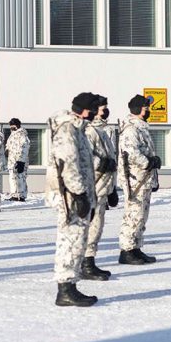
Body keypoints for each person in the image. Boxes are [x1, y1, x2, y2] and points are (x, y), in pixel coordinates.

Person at [47, 94, 99, 307]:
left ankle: (71, 285)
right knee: (70, 240)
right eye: (94, 109)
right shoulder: (68, 129)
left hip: (79, 194)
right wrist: (78, 194)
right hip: (70, 197)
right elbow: (68, 164)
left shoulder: (78, 129)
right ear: (86, 110)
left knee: (77, 240)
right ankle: (65, 289)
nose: (97, 113)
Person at [117, 94, 160, 265]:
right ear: (137, 109)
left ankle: (136, 247)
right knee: (133, 214)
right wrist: (149, 161)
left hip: (145, 178)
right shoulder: (131, 130)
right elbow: (132, 152)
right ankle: (126, 250)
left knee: (141, 215)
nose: (148, 110)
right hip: (135, 180)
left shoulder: (141, 128)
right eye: (145, 107)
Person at [83, 96, 118, 281]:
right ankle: (85, 262)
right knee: (91, 226)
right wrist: (101, 164)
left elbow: (110, 158)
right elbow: (84, 156)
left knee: (98, 226)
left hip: (103, 187)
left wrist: (112, 189)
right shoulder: (89, 131)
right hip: (92, 188)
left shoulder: (103, 132)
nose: (105, 111)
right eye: (103, 108)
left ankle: (90, 260)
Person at [6, 118, 31, 202]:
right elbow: (9, 144)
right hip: (12, 161)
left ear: (17, 125)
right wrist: (6, 150)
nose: (11, 128)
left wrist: (21, 161)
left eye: (12, 125)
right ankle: (15, 195)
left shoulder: (22, 135)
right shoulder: (13, 134)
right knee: (13, 179)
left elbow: (24, 148)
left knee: (20, 178)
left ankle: (20, 195)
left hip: (19, 161)